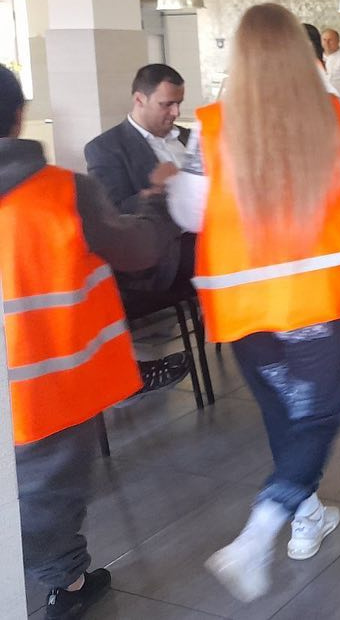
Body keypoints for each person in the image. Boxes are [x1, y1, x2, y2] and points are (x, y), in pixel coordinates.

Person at [166, 4, 340, 602]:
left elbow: (189, 213)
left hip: (245, 308)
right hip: (320, 302)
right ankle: (259, 532)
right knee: (319, 415)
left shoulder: (210, 127)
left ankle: (306, 516)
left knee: (285, 414)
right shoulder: (335, 115)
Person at [1, 65, 174, 619]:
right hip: (48, 378)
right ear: (19, 116)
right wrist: (155, 199)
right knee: (49, 488)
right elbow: (138, 250)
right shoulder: (63, 191)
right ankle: (66, 583)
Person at [84, 63, 195, 395]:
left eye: (179, 104)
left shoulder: (189, 138)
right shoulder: (107, 147)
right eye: (167, 104)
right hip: (165, 253)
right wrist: (157, 190)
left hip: (210, 237)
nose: (175, 113)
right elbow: (115, 211)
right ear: (139, 100)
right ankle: (118, 374)